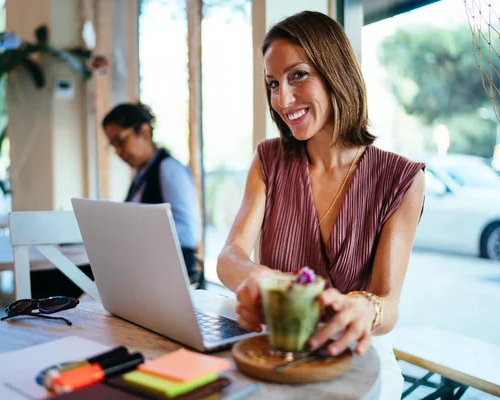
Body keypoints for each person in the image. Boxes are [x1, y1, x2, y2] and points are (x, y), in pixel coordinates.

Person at [216, 11, 425, 398]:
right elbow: (230, 255)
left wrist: (367, 310)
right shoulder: (268, 161)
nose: (282, 98)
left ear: (335, 71)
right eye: (272, 83)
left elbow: (388, 302)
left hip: (356, 355)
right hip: (277, 352)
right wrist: (262, 282)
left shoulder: (402, 179)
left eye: (298, 75)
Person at [102, 103, 202, 284]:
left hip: (170, 278)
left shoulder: (169, 169)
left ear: (145, 132)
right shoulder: (142, 175)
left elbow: (189, 234)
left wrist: (138, 231)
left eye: (121, 141)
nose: (118, 152)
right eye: (113, 145)